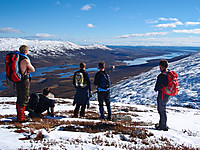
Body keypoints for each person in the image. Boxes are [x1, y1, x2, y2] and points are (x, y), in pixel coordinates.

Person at [16, 45, 35, 122]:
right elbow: (32, 70)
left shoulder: (17, 58)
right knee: (24, 97)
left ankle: (19, 115)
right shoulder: (25, 59)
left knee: (19, 96)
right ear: (26, 51)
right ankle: (21, 118)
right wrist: (27, 71)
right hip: (24, 80)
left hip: (18, 79)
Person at [154, 59, 170, 131]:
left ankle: (163, 126)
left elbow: (157, 87)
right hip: (167, 94)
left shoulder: (161, 76)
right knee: (163, 109)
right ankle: (162, 124)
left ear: (161, 66)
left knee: (161, 110)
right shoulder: (169, 74)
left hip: (162, 95)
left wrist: (156, 88)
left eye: (160, 66)